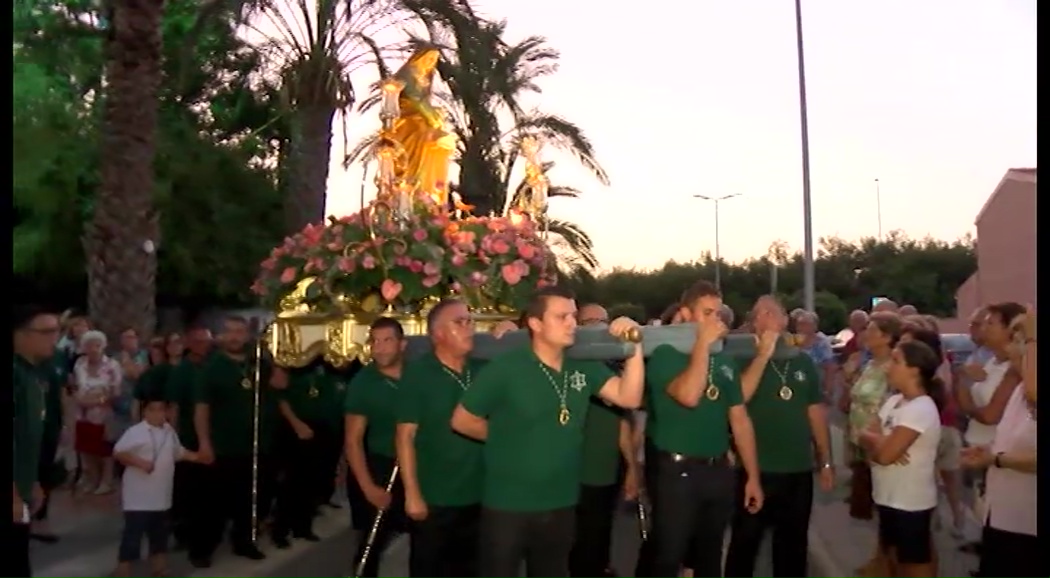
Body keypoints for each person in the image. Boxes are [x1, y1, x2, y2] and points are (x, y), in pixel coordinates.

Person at [451, 286, 645, 578]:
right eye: (562, 316)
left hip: (562, 503)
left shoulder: (582, 368)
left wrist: (635, 348)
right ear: (535, 323)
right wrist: (508, 438)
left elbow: (629, 398)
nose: (572, 323)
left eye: (573, 316)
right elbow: (462, 420)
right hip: (508, 506)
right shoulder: (506, 368)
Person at [634, 280, 762, 578]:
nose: (715, 321)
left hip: (717, 470)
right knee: (668, 554)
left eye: (718, 313)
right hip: (677, 473)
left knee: (709, 556)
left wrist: (752, 476)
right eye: (706, 313)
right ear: (686, 314)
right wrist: (702, 345)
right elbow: (689, 396)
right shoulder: (665, 354)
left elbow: (740, 419)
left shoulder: (724, 360)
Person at [397, 299, 512, 578]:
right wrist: (412, 494)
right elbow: (405, 436)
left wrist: (513, 335)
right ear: (437, 334)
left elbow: (529, 364)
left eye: (470, 321)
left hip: (480, 496)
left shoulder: (483, 369)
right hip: (436, 498)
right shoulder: (418, 374)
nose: (469, 328)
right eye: (460, 322)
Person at [724, 296, 833, 578]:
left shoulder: (803, 363)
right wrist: (763, 354)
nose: (766, 319)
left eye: (773, 313)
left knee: (793, 546)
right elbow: (740, 397)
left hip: (797, 470)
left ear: (786, 321)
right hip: (755, 470)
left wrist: (826, 461)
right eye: (759, 314)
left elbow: (816, 414)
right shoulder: (740, 357)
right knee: (745, 544)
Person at [193, 315, 280, 564]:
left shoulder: (257, 363)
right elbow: (202, 408)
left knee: (249, 499)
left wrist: (279, 357)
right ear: (220, 336)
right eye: (229, 331)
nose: (234, 337)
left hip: (254, 446)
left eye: (239, 332)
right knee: (215, 503)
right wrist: (204, 443)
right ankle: (203, 549)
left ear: (247, 335)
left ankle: (244, 542)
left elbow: (279, 384)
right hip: (223, 446)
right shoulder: (211, 367)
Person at [858, 339, 944, 578]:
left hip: (910, 503)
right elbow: (864, 435)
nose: (888, 367)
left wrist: (879, 444)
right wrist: (881, 441)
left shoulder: (921, 408)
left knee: (914, 565)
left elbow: (884, 456)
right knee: (893, 559)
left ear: (914, 369)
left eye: (896, 361)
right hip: (887, 497)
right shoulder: (894, 401)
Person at [959, 318, 1036, 578]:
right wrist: (988, 451)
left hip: (1026, 521)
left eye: (1019, 341)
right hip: (1002, 513)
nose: (1010, 349)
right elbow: (1010, 437)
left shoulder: (1031, 393)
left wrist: (997, 459)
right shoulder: (1019, 390)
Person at [571, 303, 640, 578]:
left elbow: (623, 423)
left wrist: (633, 470)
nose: (597, 327)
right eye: (589, 322)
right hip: (569, 473)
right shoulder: (569, 362)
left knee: (599, 535)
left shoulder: (615, 369)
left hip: (605, 471)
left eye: (603, 320)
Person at [345, 317, 409, 578]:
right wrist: (369, 488)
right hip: (381, 466)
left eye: (387, 340)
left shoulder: (420, 374)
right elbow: (352, 441)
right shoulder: (363, 382)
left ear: (402, 344)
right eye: (375, 341)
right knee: (372, 543)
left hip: (419, 465)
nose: (380, 348)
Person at [112, 396, 202, 578]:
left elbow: (178, 452)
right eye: (152, 410)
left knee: (159, 534)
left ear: (167, 412)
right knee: (133, 535)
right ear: (144, 412)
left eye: (161, 409)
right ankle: (123, 568)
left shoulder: (169, 431)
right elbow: (119, 452)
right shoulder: (135, 432)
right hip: (138, 497)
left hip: (161, 496)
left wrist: (199, 457)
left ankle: (159, 568)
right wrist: (140, 462)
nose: (157, 414)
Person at [272, 360, 347, 546]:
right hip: (298, 427)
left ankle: (303, 527)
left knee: (314, 482)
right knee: (291, 482)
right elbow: (280, 396)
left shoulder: (336, 373)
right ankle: (280, 531)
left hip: (327, 430)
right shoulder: (298, 364)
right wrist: (296, 424)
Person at [13, 305, 61, 578]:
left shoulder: (35, 373)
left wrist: (33, 481)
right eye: (46, 332)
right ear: (20, 335)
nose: (54, 338)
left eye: (56, 331)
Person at [845, 312, 902, 521]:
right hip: (862, 440)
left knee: (888, 504)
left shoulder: (894, 367)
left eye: (871, 330)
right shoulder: (870, 364)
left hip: (881, 442)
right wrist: (850, 375)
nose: (865, 334)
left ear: (887, 337)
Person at [164, 324, 212, 557]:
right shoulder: (181, 371)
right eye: (200, 341)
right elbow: (173, 406)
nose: (205, 346)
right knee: (185, 488)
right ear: (190, 344)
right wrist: (172, 439)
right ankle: (182, 532)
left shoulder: (211, 366)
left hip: (210, 436)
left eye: (207, 341)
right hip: (187, 437)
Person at [72, 330, 123, 495]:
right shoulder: (80, 364)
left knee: (105, 450)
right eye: (89, 345)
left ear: (103, 346)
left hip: (104, 415)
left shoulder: (112, 365)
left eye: (97, 345)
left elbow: (115, 392)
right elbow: (76, 386)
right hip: (82, 413)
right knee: (87, 449)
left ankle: (106, 481)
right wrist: (82, 399)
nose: (93, 349)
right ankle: (92, 479)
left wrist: (97, 400)